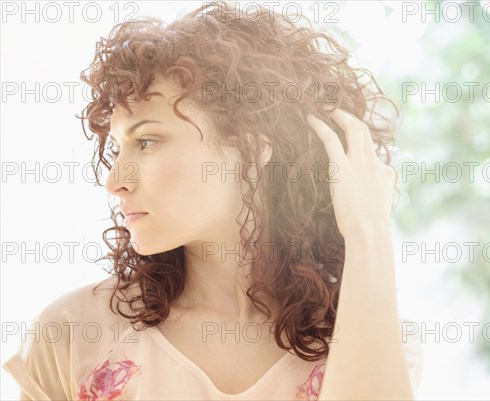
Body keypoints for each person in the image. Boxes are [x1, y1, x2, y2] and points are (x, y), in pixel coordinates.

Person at [2, 2, 423, 400]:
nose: (115, 182)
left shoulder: (367, 332)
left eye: (146, 141)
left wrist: (368, 232)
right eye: (116, 150)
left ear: (252, 150)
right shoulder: (74, 334)